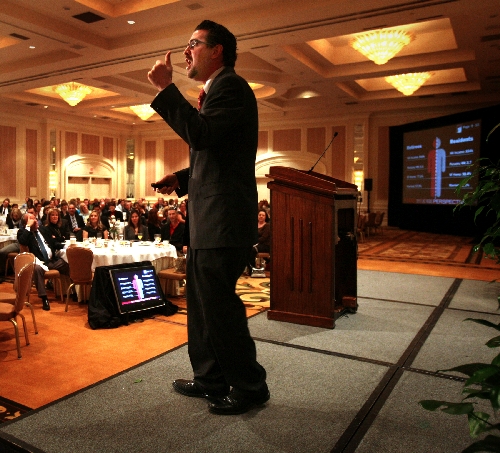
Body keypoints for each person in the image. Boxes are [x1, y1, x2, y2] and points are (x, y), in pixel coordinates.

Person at [148, 19, 268, 415]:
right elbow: (216, 152)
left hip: (223, 222)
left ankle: (250, 386)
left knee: (219, 309)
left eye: (194, 44)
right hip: (209, 220)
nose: (186, 51)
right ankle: (210, 378)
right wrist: (182, 179)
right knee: (201, 307)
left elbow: (201, 134)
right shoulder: (215, 91)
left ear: (217, 51)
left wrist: (166, 89)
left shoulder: (231, 87)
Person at [17, 212, 70, 311]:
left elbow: (53, 243)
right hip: (39, 262)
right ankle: (44, 298)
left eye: (35, 219)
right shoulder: (23, 232)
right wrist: (28, 227)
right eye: (32, 220)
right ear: (26, 223)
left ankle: (74, 291)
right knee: (37, 269)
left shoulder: (43, 230)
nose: (36, 221)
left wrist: (65, 246)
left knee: (68, 264)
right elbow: (23, 241)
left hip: (52, 261)